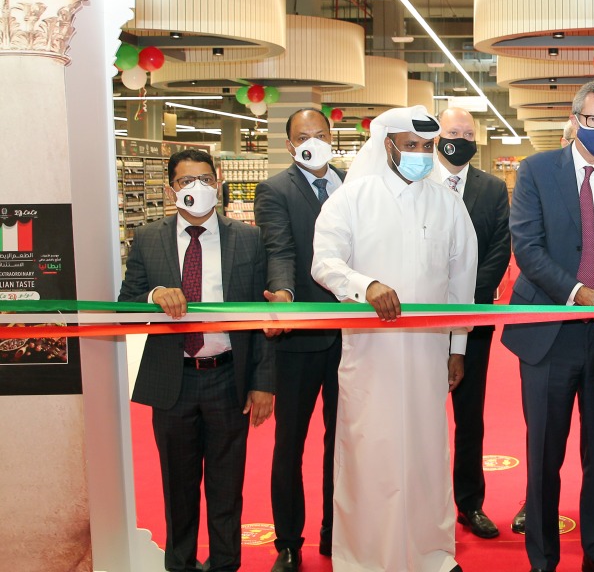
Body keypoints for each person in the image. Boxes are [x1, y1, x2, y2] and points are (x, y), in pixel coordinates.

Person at [311, 105, 477, 572]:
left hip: (428, 353)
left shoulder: (447, 202)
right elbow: (323, 262)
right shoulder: (352, 198)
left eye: (428, 148)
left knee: (425, 454)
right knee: (370, 453)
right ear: (388, 145)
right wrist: (367, 287)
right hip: (370, 353)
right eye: (412, 147)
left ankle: (430, 553)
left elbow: (461, 282)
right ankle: (367, 559)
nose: (422, 156)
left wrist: (457, 347)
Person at [501, 80, 594, 572]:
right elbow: (528, 250)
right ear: (574, 120)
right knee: (545, 453)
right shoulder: (536, 171)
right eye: (592, 121)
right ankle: (543, 558)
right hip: (550, 330)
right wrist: (586, 297)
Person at [121, 148, 277, 572]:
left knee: (227, 489)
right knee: (178, 488)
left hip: (227, 377)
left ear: (219, 182)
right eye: (187, 181)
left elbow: (262, 315)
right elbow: (125, 302)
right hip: (172, 380)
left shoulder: (247, 238)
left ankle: (226, 565)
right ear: (172, 187)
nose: (198, 189)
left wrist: (263, 381)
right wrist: (153, 296)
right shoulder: (149, 238)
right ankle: (181, 565)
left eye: (205, 179)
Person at [254, 107, 344, 572]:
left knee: (343, 441)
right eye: (304, 136)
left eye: (321, 134)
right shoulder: (274, 190)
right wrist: (284, 296)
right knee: (290, 443)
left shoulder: (354, 184)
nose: (314, 142)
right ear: (290, 146)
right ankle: (288, 541)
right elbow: (280, 249)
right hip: (299, 336)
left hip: (352, 337)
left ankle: (336, 531)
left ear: (333, 137)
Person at [434, 106, 512, 540]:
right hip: (419, 320)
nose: (460, 139)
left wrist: (464, 301)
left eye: (468, 133)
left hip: (475, 319)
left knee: (470, 417)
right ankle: (424, 501)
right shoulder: (416, 183)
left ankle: (470, 503)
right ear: (437, 135)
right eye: (452, 131)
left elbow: (500, 249)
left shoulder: (492, 188)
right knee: (421, 415)